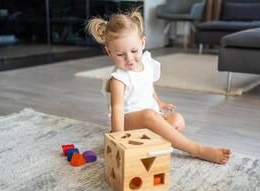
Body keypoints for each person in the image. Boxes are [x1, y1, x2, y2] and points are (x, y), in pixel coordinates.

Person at [86, 8, 231, 164]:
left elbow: (148, 86)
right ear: (109, 52)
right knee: (148, 114)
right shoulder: (118, 79)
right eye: (120, 54)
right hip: (128, 123)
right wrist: (119, 137)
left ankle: (149, 141)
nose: (129, 59)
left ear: (142, 43)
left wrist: (159, 102)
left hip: (149, 117)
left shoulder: (146, 63)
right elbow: (117, 109)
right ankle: (196, 149)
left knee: (178, 120)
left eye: (134, 51)